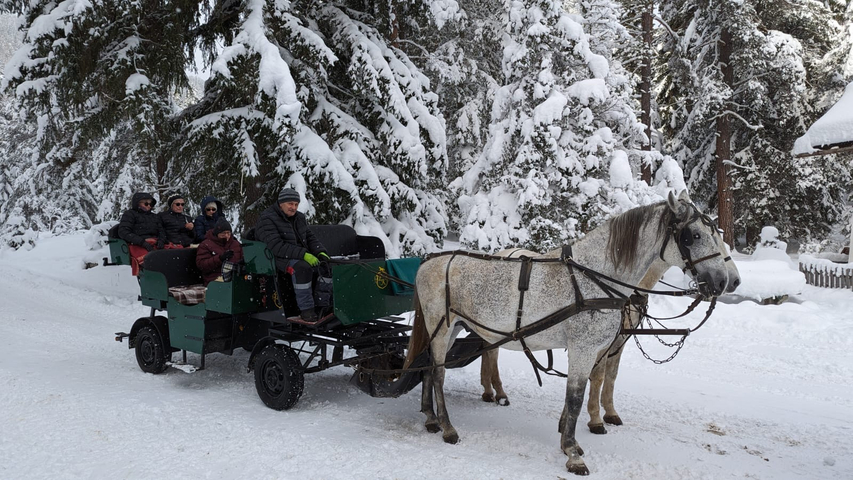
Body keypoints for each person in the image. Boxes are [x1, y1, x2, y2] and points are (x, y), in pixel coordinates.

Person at [255, 187, 330, 323]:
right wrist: (304, 255)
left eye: (296, 204)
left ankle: (322, 305)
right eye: (290, 204)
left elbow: (310, 237)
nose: (293, 207)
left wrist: (320, 252)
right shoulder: (267, 219)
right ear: (280, 203)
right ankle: (306, 310)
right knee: (302, 268)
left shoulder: (299, 218)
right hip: (276, 259)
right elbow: (276, 246)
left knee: (326, 267)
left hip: (297, 255)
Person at [117, 192, 166, 276]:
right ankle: (151, 277)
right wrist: (142, 242)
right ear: (137, 203)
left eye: (151, 204)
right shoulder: (130, 214)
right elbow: (124, 232)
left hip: (155, 243)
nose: (149, 206)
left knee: (169, 255)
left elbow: (161, 231)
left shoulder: (154, 217)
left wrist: (161, 240)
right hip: (137, 243)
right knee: (150, 259)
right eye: (146, 203)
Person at [196, 218, 244, 286]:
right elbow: (202, 265)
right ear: (217, 233)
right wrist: (220, 258)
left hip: (235, 277)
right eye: (223, 233)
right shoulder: (206, 245)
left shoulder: (236, 244)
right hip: (215, 279)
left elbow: (243, 257)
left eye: (228, 233)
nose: (226, 236)